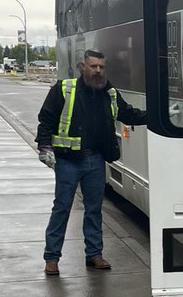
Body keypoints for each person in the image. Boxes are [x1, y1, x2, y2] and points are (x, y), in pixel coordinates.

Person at [36, 49, 146, 276]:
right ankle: (52, 258)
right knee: (62, 209)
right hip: (68, 161)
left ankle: (94, 255)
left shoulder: (109, 93)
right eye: (93, 66)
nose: (98, 71)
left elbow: (129, 114)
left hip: (95, 160)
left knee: (94, 210)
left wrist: (160, 113)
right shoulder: (64, 90)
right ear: (82, 67)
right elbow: (46, 119)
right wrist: (45, 147)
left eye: (101, 67)